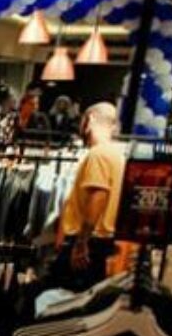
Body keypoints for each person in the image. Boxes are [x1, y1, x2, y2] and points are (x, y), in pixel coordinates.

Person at [51, 101, 127, 291]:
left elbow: (98, 196)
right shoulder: (117, 155)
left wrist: (81, 243)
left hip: (89, 241)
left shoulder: (98, 154)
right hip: (102, 240)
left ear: (90, 119)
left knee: (63, 298)